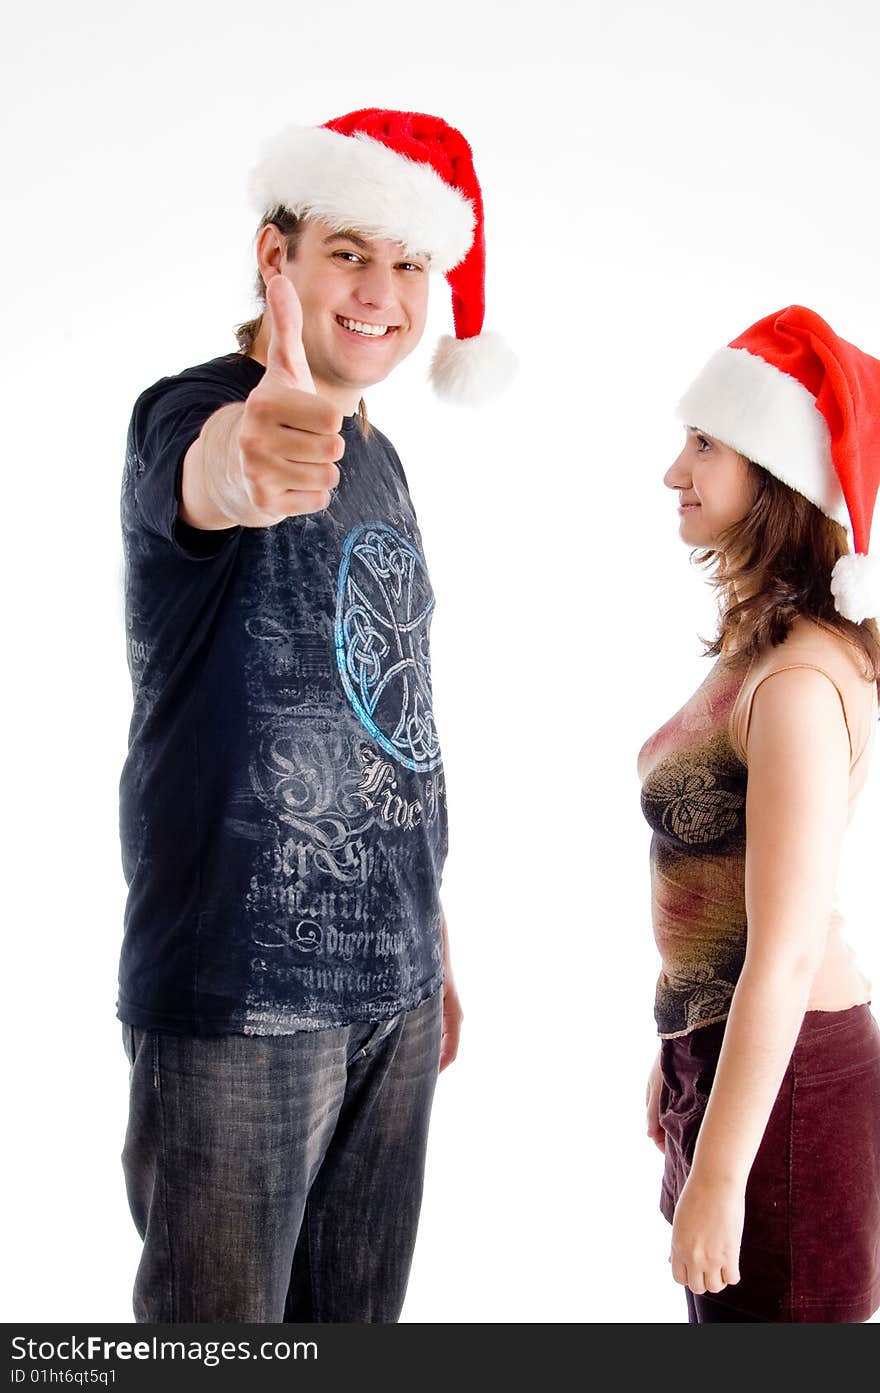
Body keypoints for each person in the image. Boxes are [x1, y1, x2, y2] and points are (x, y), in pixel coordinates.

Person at [117, 108, 515, 1323]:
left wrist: (428, 934)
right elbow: (216, 477)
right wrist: (252, 457)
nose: (384, 293)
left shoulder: (384, 460)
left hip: (392, 990)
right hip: (244, 987)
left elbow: (393, 709)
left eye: (411, 263)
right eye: (352, 250)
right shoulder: (192, 411)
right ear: (273, 255)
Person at [638, 306, 880, 1323]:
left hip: (788, 1091)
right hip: (739, 1063)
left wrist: (723, 1173)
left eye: (703, 444)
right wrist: (677, 1048)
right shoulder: (760, 654)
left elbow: (780, 951)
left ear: (774, 474)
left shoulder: (794, 686)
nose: (672, 470)